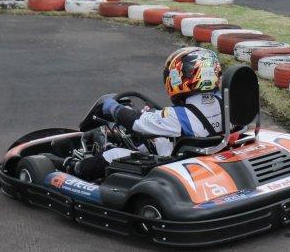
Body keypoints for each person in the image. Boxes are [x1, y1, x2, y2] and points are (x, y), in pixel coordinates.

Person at [66, 47, 225, 180]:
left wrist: (112, 108)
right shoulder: (225, 104)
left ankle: (74, 168)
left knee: (113, 153)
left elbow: (137, 123)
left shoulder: (179, 116)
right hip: (209, 157)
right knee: (156, 139)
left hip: (177, 168)